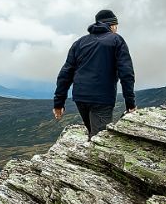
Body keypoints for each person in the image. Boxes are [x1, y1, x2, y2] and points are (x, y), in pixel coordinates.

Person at [53, 9, 137, 139]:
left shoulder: (79, 42)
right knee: (99, 139)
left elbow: (66, 73)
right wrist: (130, 104)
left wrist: (58, 103)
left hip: (80, 97)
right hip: (102, 99)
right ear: (112, 25)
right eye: (116, 26)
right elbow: (126, 74)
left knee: (93, 133)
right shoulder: (116, 40)